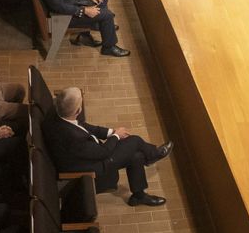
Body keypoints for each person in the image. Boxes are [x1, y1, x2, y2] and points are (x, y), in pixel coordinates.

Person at [42, 85, 173, 207]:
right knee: (135, 141)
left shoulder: (59, 113)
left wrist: (111, 132)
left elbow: (85, 127)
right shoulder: (73, 137)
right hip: (93, 168)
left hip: (87, 155)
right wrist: (116, 135)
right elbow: (103, 152)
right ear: (78, 111)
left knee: (136, 155)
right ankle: (153, 155)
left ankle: (139, 196)